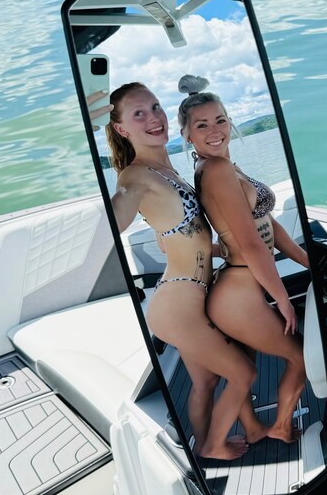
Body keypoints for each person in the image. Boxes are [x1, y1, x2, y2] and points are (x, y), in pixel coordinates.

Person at [101, 82, 267, 460]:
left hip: (187, 295)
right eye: (139, 113)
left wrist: (223, 249)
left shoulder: (167, 170)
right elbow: (114, 216)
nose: (153, 118)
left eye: (155, 107)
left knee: (206, 381)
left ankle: (219, 440)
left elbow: (168, 242)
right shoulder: (135, 177)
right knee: (243, 373)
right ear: (122, 129)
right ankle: (212, 445)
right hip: (178, 306)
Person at [177, 75, 310, 444]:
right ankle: (280, 427)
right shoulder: (217, 170)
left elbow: (267, 225)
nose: (215, 130)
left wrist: (308, 261)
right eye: (202, 125)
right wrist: (283, 298)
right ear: (187, 135)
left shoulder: (224, 165)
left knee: (246, 367)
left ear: (230, 121)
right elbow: (251, 245)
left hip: (240, 288)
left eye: (220, 120)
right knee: (300, 356)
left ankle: (253, 430)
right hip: (239, 295)